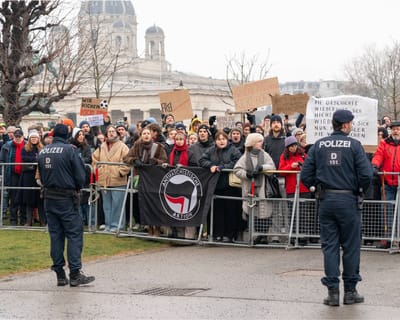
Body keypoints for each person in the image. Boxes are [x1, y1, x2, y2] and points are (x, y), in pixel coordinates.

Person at [300, 109, 372, 306]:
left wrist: (316, 187)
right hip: (348, 200)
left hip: (326, 200)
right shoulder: (355, 146)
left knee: (330, 247)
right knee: (350, 246)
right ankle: (350, 292)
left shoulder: (319, 145)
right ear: (346, 124)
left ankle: (332, 294)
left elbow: (305, 174)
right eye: (351, 123)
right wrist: (359, 189)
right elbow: (367, 174)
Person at [37, 124, 95, 287]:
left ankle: (60, 273)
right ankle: (75, 273)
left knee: (55, 235)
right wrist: (77, 187)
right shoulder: (70, 150)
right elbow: (80, 175)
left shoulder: (43, 151)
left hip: (49, 197)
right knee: (74, 234)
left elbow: (41, 174)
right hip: (67, 198)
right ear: (67, 134)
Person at [199, 130, 242, 242]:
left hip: (230, 185)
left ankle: (230, 235)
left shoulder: (234, 150)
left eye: (223, 139)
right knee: (216, 211)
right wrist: (211, 165)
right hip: (215, 185)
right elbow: (202, 160)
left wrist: (223, 167)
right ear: (215, 141)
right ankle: (216, 234)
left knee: (230, 211)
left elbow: (238, 161)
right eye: (219, 139)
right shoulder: (211, 150)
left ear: (227, 140)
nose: (221, 141)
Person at [233, 133, 275, 244]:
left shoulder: (265, 155)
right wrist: (247, 174)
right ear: (253, 143)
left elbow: (272, 167)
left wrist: (262, 168)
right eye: (259, 141)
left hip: (262, 188)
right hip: (249, 189)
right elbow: (237, 170)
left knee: (264, 212)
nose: (261, 143)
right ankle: (255, 235)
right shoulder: (245, 157)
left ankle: (264, 235)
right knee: (252, 213)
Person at [92, 125, 131, 232]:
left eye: (113, 131)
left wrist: (120, 172)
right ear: (106, 134)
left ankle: (117, 226)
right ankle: (108, 225)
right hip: (104, 180)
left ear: (117, 133)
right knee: (107, 205)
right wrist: (98, 171)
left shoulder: (123, 147)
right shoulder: (101, 147)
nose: (111, 133)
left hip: (118, 180)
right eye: (109, 131)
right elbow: (94, 161)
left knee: (117, 205)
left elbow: (128, 162)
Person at [371, 121, 400, 243]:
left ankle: (398, 238)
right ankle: (387, 237)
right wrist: (374, 165)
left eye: (398, 129)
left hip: (399, 181)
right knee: (387, 210)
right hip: (387, 181)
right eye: (394, 129)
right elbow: (379, 156)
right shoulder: (384, 143)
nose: (396, 131)